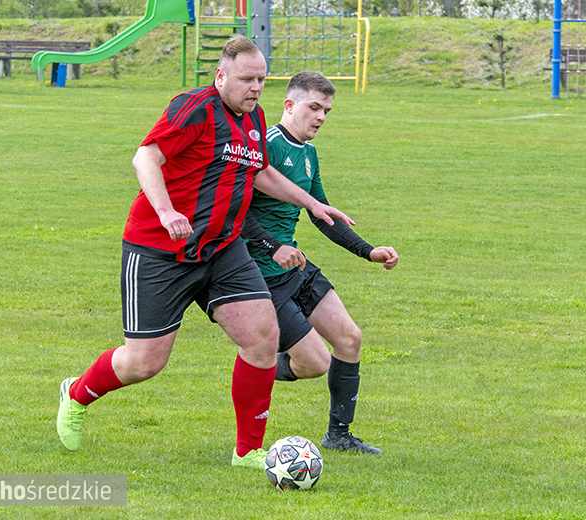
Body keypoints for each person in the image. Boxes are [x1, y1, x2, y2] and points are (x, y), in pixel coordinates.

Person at [56, 36, 353, 470]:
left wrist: (310, 203)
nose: (255, 88)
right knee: (143, 362)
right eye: (247, 79)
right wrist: (166, 211)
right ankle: (77, 393)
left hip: (222, 250)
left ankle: (248, 451)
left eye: (262, 80)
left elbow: (262, 172)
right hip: (161, 250)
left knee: (262, 338)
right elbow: (145, 158)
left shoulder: (254, 120)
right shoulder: (194, 108)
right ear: (221, 76)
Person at [242, 72, 399, 454]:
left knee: (349, 338)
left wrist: (368, 251)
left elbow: (321, 214)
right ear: (290, 105)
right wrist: (273, 245)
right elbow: (235, 211)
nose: (321, 117)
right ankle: (254, 366)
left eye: (326, 110)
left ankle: (339, 436)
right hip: (259, 274)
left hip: (294, 268)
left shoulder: (309, 154)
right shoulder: (266, 146)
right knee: (315, 363)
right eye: (314, 107)